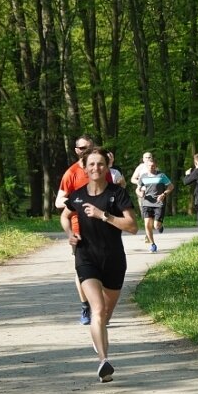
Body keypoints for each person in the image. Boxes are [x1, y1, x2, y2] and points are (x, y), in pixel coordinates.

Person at [60, 147, 138, 383]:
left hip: (114, 260)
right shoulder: (77, 195)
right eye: (91, 164)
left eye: (100, 164)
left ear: (107, 167)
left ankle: (99, 335)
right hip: (86, 258)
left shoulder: (118, 194)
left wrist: (103, 215)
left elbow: (133, 227)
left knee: (105, 314)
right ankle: (104, 362)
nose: (96, 168)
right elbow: (65, 216)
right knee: (97, 309)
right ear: (84, 167)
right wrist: (69, 235)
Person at [55, 135, 113, 325]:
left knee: (105, 270)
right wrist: (78, 202)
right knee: (83, 270)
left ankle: (100, 306)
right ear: (76, 150)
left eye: (88, 147)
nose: (84, 150)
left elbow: (112, 194)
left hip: (104, 226)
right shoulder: (71, 173)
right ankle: (86, 306)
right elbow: (58, 202)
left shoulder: (103, 170)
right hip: (80, 229)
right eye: (81, 148)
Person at [135, 158, 173, 253]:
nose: (151, 167)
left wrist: (164, 194)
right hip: (146, 203)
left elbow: (171, 186)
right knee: (147, 224)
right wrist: (140, 194)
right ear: (146, 166)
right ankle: (153, 244)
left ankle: (160, 227)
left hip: (159, 203)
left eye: (153, 166)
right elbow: (137, 189)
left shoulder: (161, 175)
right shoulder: (143, 176)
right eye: (149, 166)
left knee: (156, 226)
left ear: (156, 166)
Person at [130, 152, 154, 242]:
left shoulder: (154, 166)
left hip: (154, 193)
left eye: (149, 157)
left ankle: (155, 225)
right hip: (142, 193)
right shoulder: (140, 167)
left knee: (153, 214)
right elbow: (132, 179)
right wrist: (140, 182)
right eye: (146, 157)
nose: (148, 159)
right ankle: (147, 235)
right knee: (145, 214)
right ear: (143, 159)